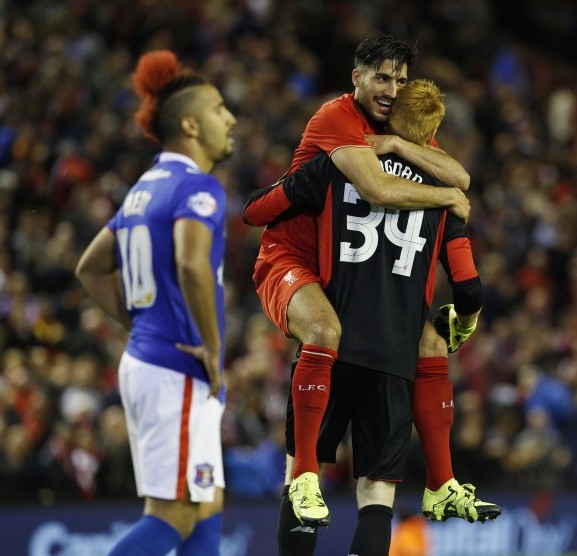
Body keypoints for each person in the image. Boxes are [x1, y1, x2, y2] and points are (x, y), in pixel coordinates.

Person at [244, 34, 499, 536]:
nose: (391, 89)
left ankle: (439, 481)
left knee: (426, 339)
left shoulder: (403, 135)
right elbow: (379, 187)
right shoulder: (335, 117)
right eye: (381, 77)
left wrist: (402, 145)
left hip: (351, 276)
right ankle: (306, 477)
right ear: (356, 77)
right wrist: (445, 198)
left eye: (400, 80)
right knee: (324, 329)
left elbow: (460, 177)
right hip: (291, 258)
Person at [75, 50, 236, 556]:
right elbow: (191, 264)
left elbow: (91, 268)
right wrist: (210, 347)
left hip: (155, 361)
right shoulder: (197, 187)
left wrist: (143, 325)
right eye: (218, 109)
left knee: (206, 504)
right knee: (177, 512)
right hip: (177, 369)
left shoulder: (143, 189)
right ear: (190, 124)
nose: (229, 118)